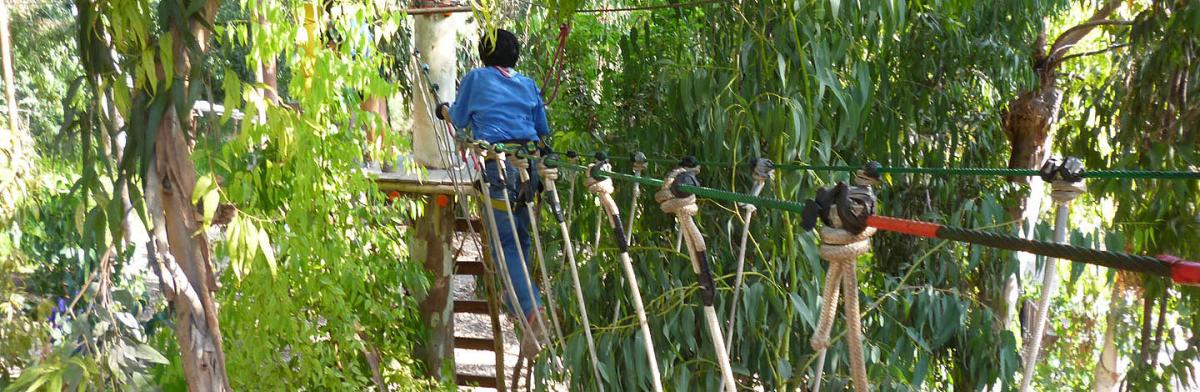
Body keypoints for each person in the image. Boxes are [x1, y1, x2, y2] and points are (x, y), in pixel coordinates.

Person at [437, 28, 549, 352]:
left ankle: (530, 312)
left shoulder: (476, 79)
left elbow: (459, 119)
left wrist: (442, 110)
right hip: (528, 169)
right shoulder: (527, 85)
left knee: (506, 246)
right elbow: (542, 129)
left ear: (484, 55)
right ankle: (522, 308)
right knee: (522, 239)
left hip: (497, 170)